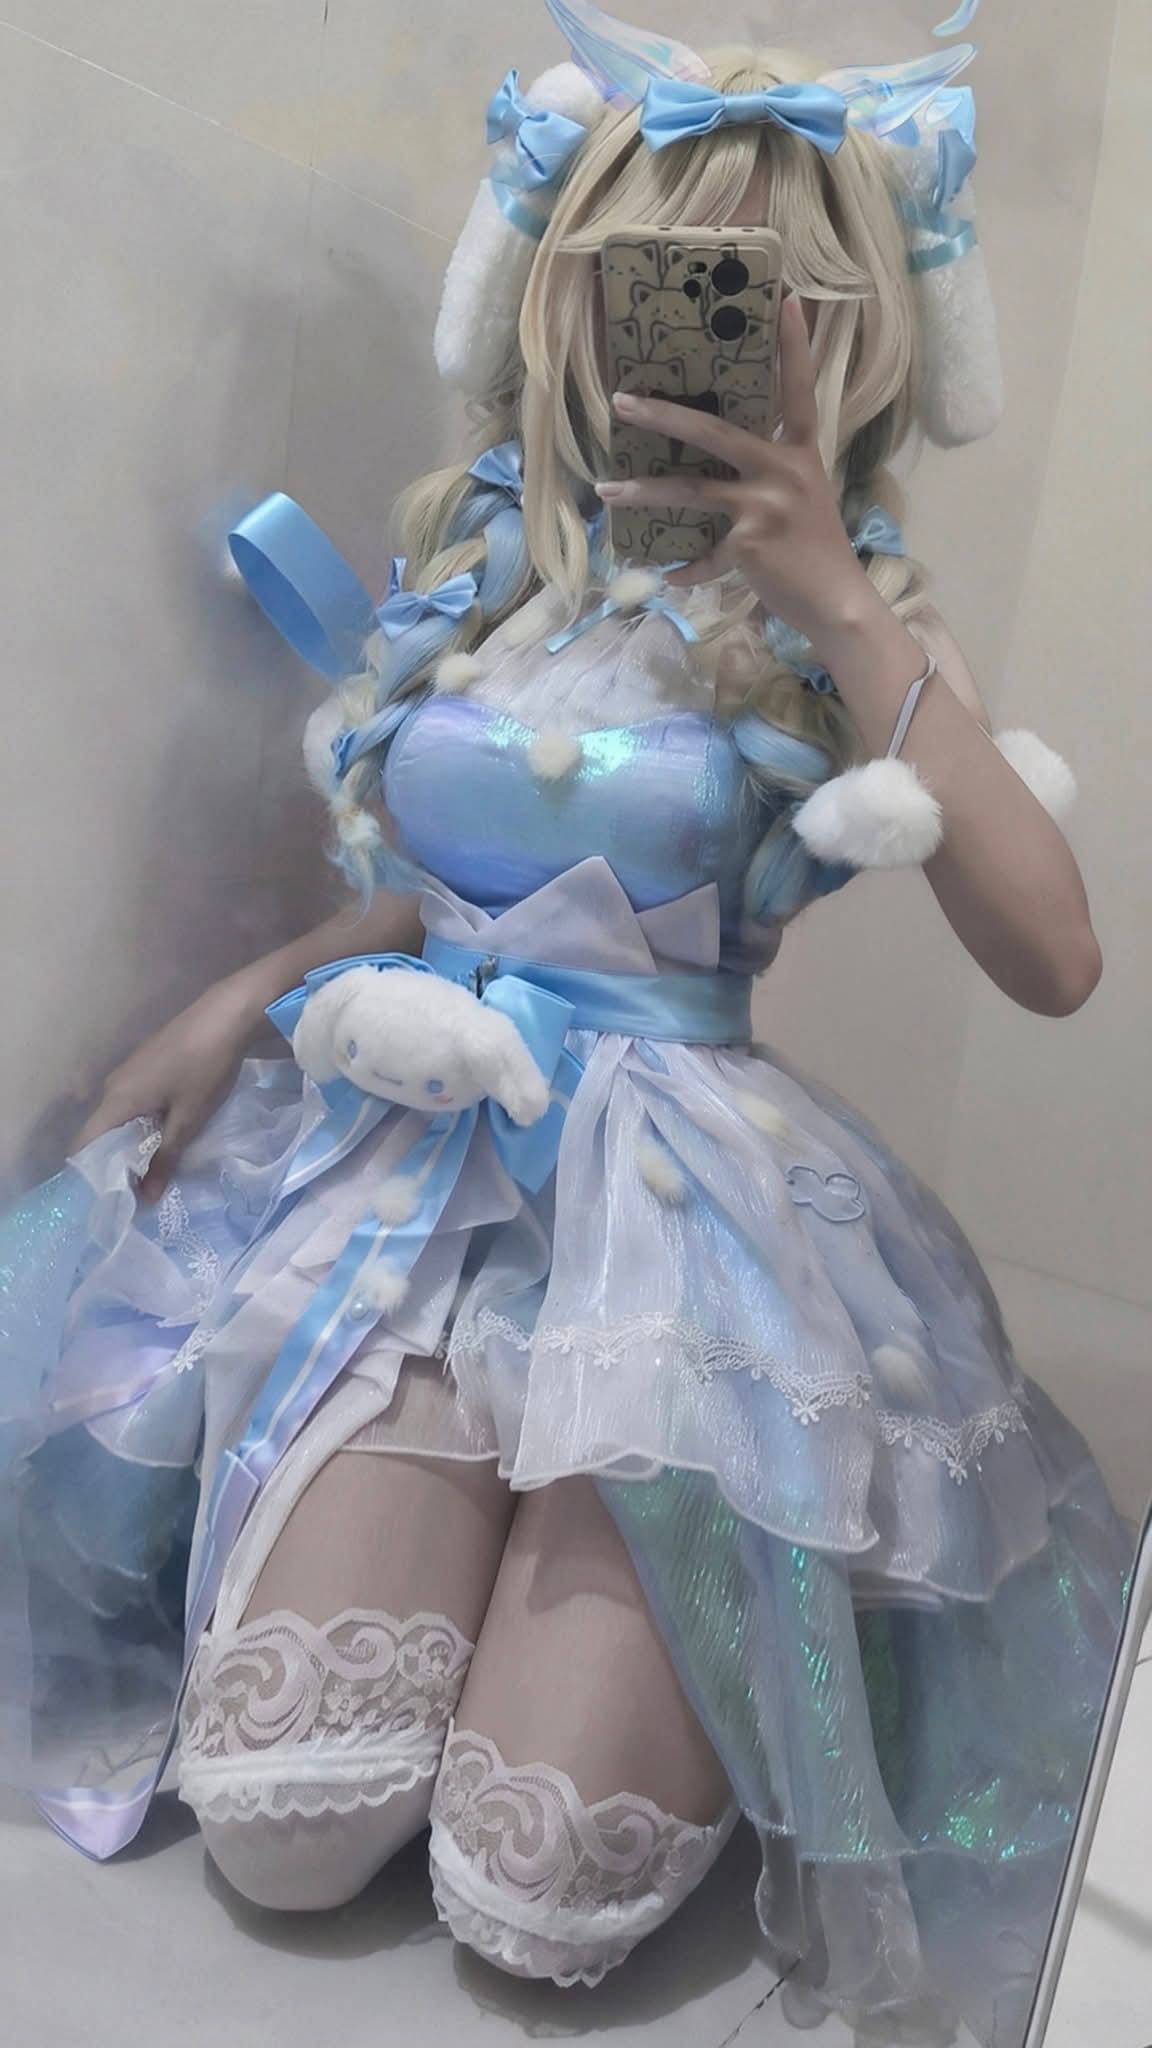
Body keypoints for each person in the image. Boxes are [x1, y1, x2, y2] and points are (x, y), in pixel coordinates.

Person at [0, 5, 1128, 2042]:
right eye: (649, 279)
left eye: (755, 300)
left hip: (685, 1229)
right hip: (410, 1185)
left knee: (538, 1887)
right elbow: (445, 885)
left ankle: (615, 1614)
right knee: (282, 1832)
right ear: (564, 286)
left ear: (846, 332)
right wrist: (244, 994)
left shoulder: (855, 625)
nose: (678, 338)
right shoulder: (495, 571)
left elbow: (1056, 956)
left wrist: (839, 601)